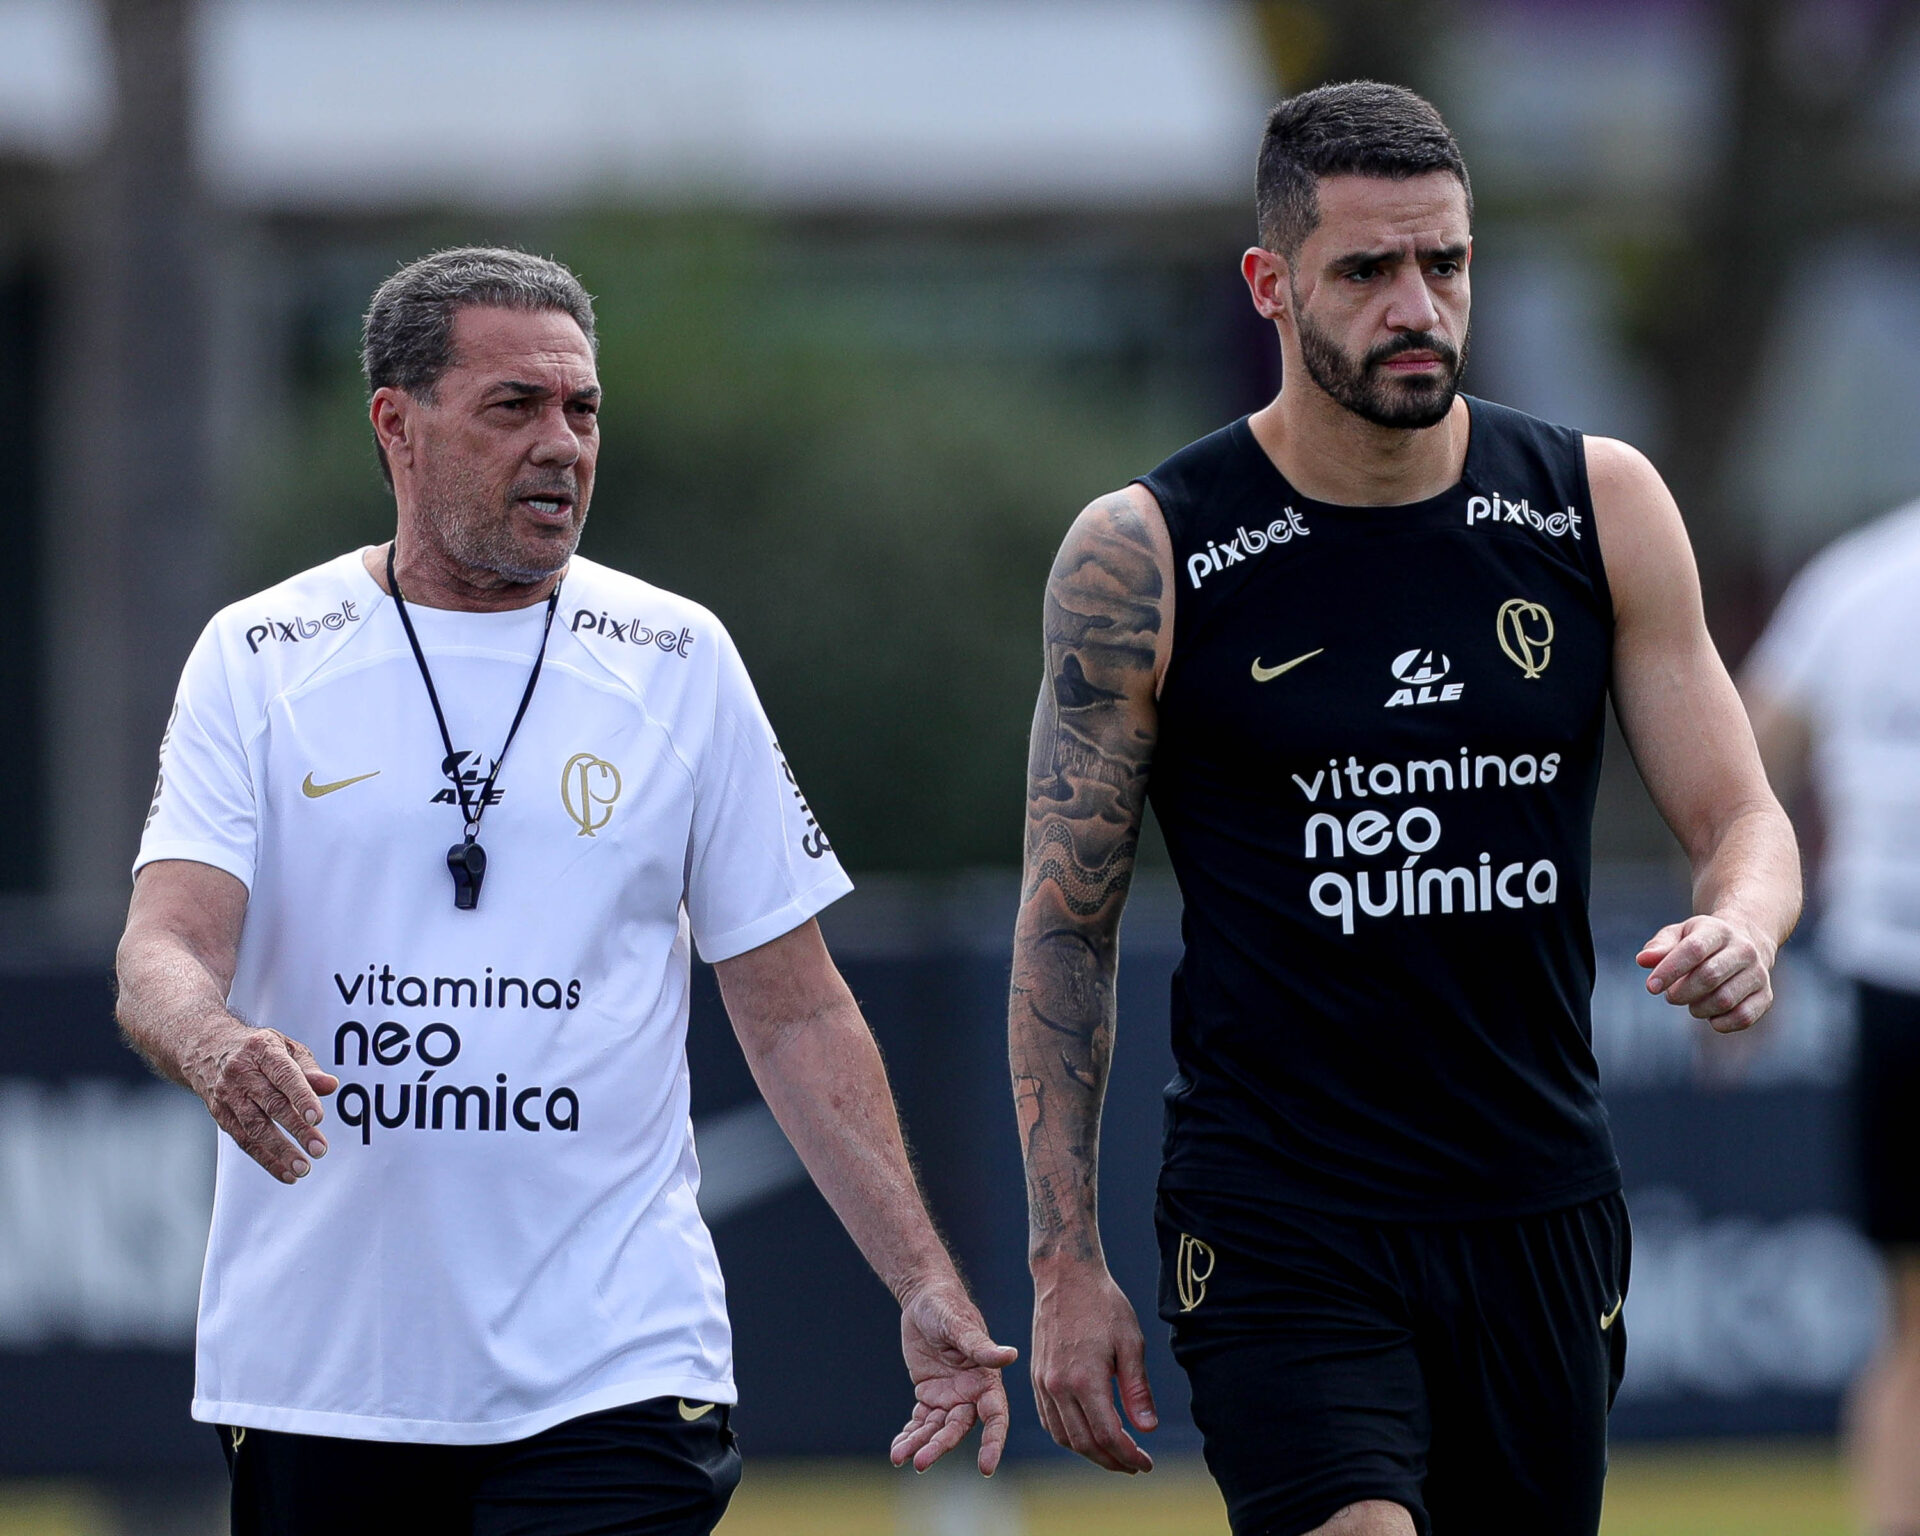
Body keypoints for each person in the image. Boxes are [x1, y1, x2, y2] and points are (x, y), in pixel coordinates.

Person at [116, 247, 1013, 1536]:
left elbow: (796, 1009)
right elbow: (162, 950)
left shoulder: (680, 657)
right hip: (325, 1376)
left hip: (618, 1369)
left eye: (582, 410)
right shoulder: (257, 658)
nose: (563, 445)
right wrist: (215, 1047)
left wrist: (921, 1280)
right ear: (397, 425)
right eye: (514, 407)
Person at [1007, 83, 1800, 1536]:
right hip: (1282, 1212)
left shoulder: (1595, 504)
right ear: (1270, 284)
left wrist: (1744, 927)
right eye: (1367, 271)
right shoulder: (1145, 552)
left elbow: (1745, 817)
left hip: (1536, 1198)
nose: (1417, 304)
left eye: (1446, 264)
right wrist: (1065, 1261)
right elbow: (1065, 930)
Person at [1743, 507, 1920, 1536]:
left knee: (1910, 1325)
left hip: (1890, 975)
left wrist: (1740, 923)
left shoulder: (1854, 578)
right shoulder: (1858, 576)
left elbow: (1744, 763)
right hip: (1894, 975)